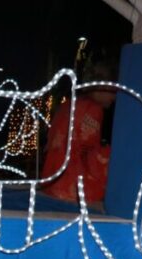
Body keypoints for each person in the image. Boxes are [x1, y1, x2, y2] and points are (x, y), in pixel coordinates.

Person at [41, 66, 118, 212]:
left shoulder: (69, 104)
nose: (114, 98)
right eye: (113, 91)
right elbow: (87, 151)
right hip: (72, 186)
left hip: (51, 178)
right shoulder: (93, 109)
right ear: (101, 87)